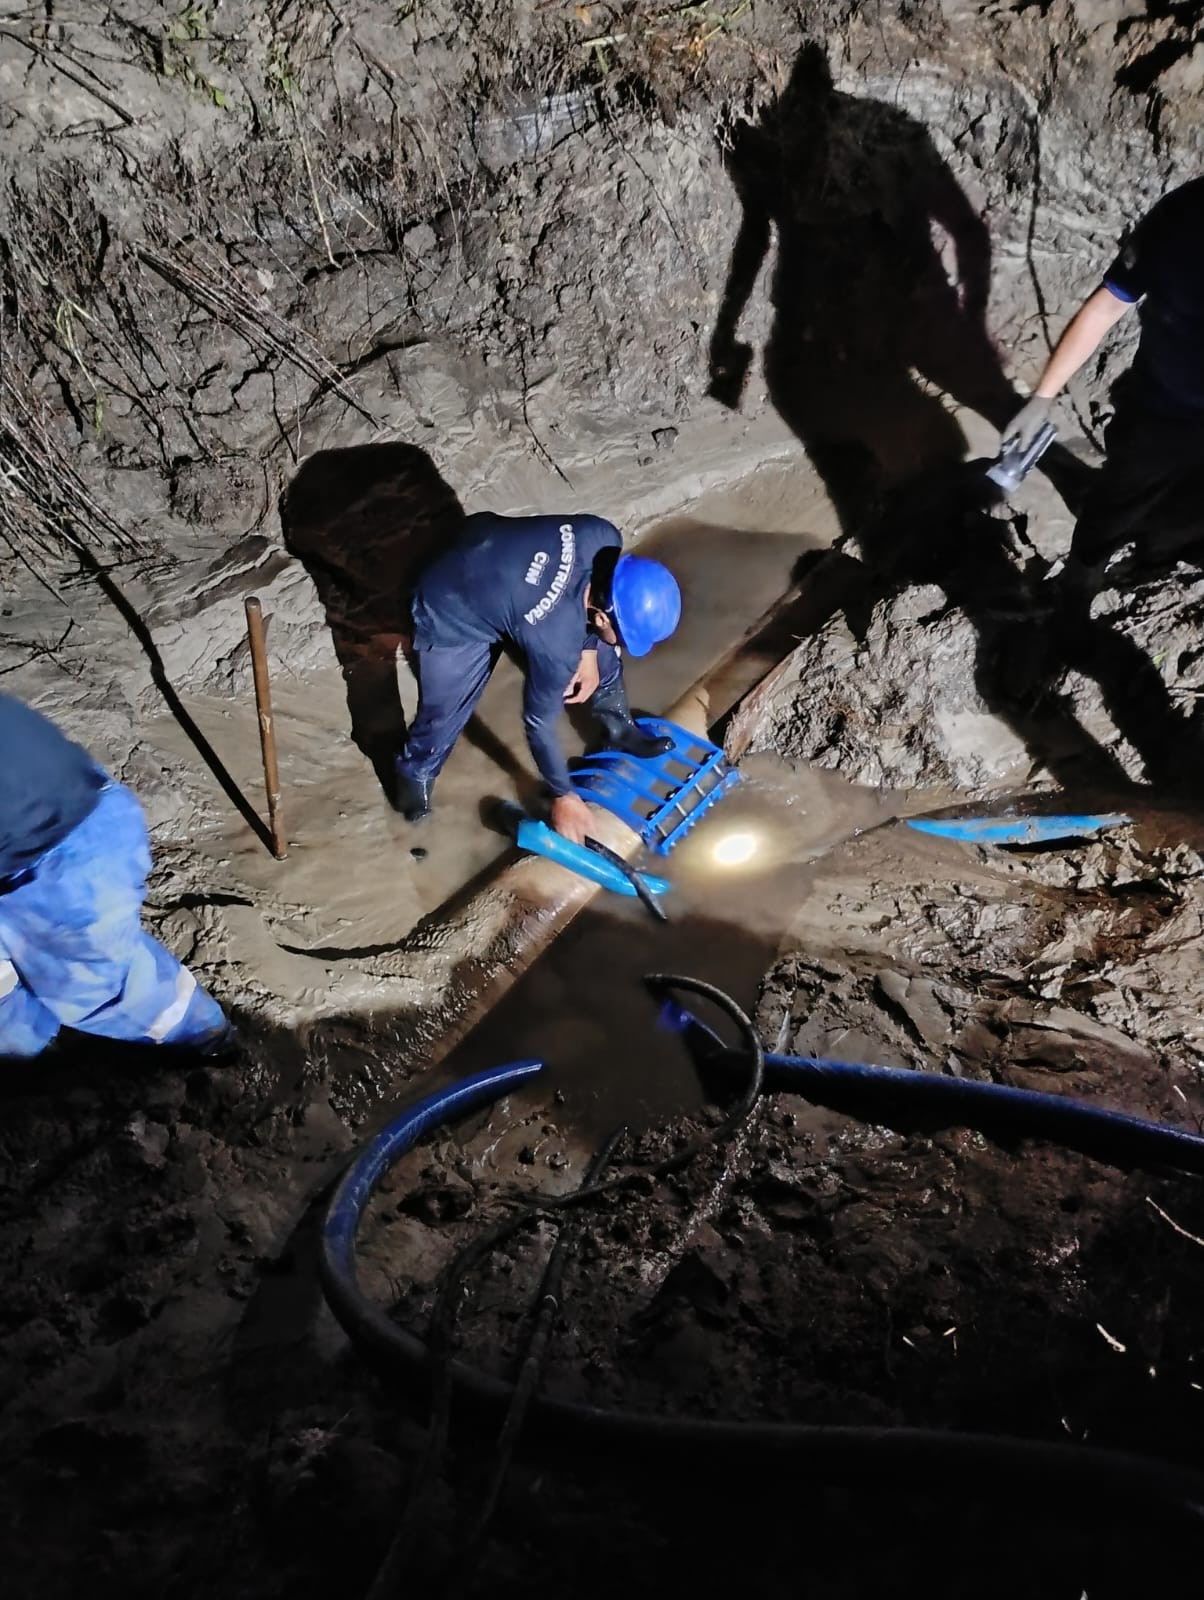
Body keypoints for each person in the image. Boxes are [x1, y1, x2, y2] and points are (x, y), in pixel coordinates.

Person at [393, 512, 682, 844]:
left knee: (603, 651)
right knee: (443, 714)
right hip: (450, 605)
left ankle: (618, 728)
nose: (627, 646)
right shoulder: (555, 643)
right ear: (601, 614)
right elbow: (538, 724)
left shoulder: (602, 536)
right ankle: (414, 779)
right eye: (626, 637)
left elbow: (581, 600)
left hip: (495, 552)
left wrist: (589, 650)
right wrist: (565, 795)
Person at [1003, 175, 1204, 604]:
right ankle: (1082, 578)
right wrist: (1042, 398)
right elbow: (1108, 304)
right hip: (1161, 412)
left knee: (1188, 510)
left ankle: (1157, 559)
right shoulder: (1181, 216)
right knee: (1112, 504)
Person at [0, 693, 232, 1061]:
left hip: (60, 848)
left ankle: (213, 1050)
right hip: (41, 824)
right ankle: (31, 1058)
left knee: (107, 992)